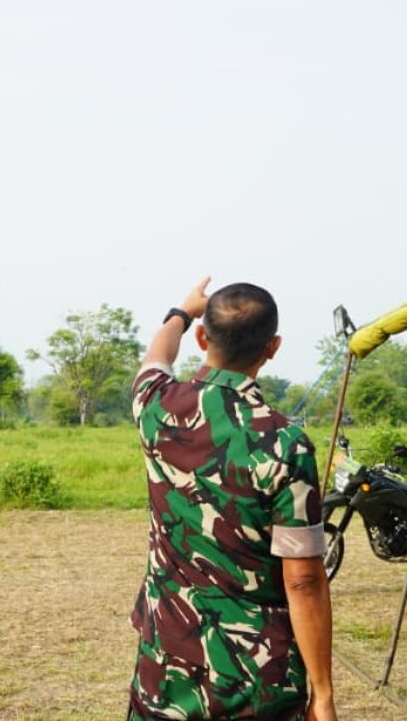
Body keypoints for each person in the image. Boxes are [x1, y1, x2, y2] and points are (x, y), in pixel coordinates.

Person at [127, 278, 336, 721]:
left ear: (203, 337)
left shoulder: (156, 406)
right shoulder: (285, 444)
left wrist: (183, 312)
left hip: (167, 668)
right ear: (273, 347)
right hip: (257, 679)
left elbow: (157, 356)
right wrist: (322, 691)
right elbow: (303, 580)